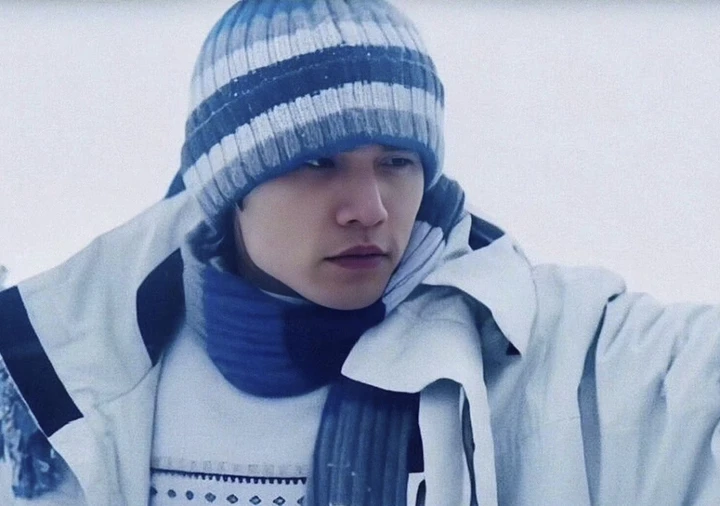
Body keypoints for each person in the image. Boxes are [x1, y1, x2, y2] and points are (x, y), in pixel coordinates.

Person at [0, 1, 719, 505]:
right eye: (317, 163)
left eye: (397, 162)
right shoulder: (75, 375)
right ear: (231, 190)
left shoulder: (538, 348)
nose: (370, 208)